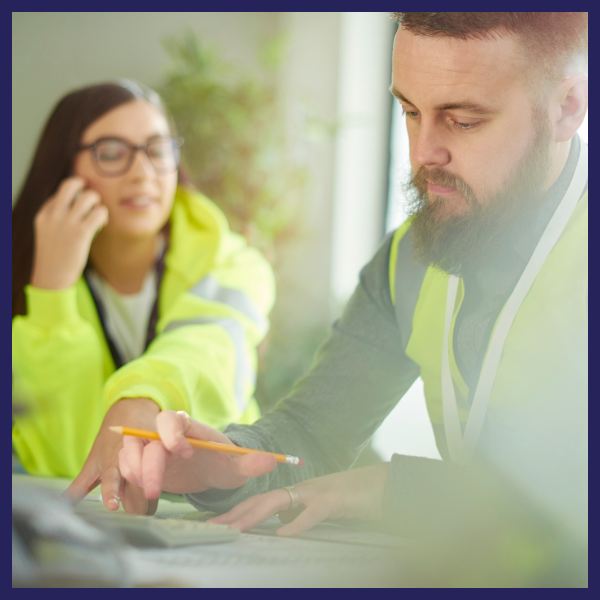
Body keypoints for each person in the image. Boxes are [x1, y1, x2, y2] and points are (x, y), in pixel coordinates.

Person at [117, 10, 588, 567]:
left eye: (463, 121)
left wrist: (393, 490)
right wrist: (223, 464)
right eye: (410, 112)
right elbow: (312, 435)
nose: (422, 154)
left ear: (567, 107)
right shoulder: (409, 258)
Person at [12, 80, 275, 515]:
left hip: (206, 509)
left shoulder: (231, 262)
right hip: (78, 515)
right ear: (63, 170)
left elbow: (205, 348)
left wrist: (138, 402)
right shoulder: (25, 273)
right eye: (112, 153)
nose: (143, 172)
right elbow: (66, 459)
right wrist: (52, 292)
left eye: (158, 149)